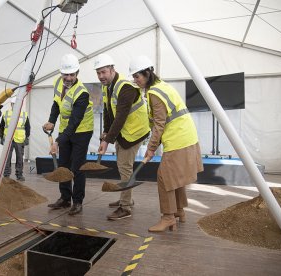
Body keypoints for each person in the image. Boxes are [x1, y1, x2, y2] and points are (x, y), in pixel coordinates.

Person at [129, 55, 203, 232]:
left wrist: (151, 147)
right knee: (175, 176)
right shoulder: (162, 86)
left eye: (137, 76)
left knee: (164, 177)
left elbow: (159, 124)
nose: (135, 80)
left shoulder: (154, 93)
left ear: (147, 73)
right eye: (134, 77)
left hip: (178, 138)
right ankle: (179, 211)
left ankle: (168, 217)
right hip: (186, 135)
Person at [94, 54, 150, 220]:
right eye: (98, 73)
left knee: (125, 167)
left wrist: (106, 141)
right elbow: (108, 112)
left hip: (135, 132)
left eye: (103, 72)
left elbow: (120, 117)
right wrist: (106, 132)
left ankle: (125, 207)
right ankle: (127, 198)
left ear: (112, 69)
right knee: (122, 165)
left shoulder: (126, 88)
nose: (101, 76)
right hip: (124, 132)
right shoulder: (107, 87)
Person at [43, 53, 94, 216]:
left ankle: (77, 201)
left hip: (82, 130)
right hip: (66, 128)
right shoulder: (58, 83)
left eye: (72, 74)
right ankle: (65, 198)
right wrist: (52, 120)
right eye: (66, 74)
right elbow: (56, 103)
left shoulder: (82, 93)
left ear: (77, 73)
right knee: (63, 165)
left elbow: (74, 122)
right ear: (61, 74)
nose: (69, 78)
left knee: (77, 167)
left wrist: (57, 142)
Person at [0, 97, 30, 181]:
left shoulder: (24, 114)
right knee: (6, 158)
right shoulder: (6, 114)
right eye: (14, 104)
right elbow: (2, 126)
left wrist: (27, 137)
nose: (15, 106)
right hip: (8, 139)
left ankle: (19, 175)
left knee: (20, 158)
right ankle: (6, 175)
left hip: (20, 139)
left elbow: (27, 127)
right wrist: (1, 137)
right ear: (11, 104)